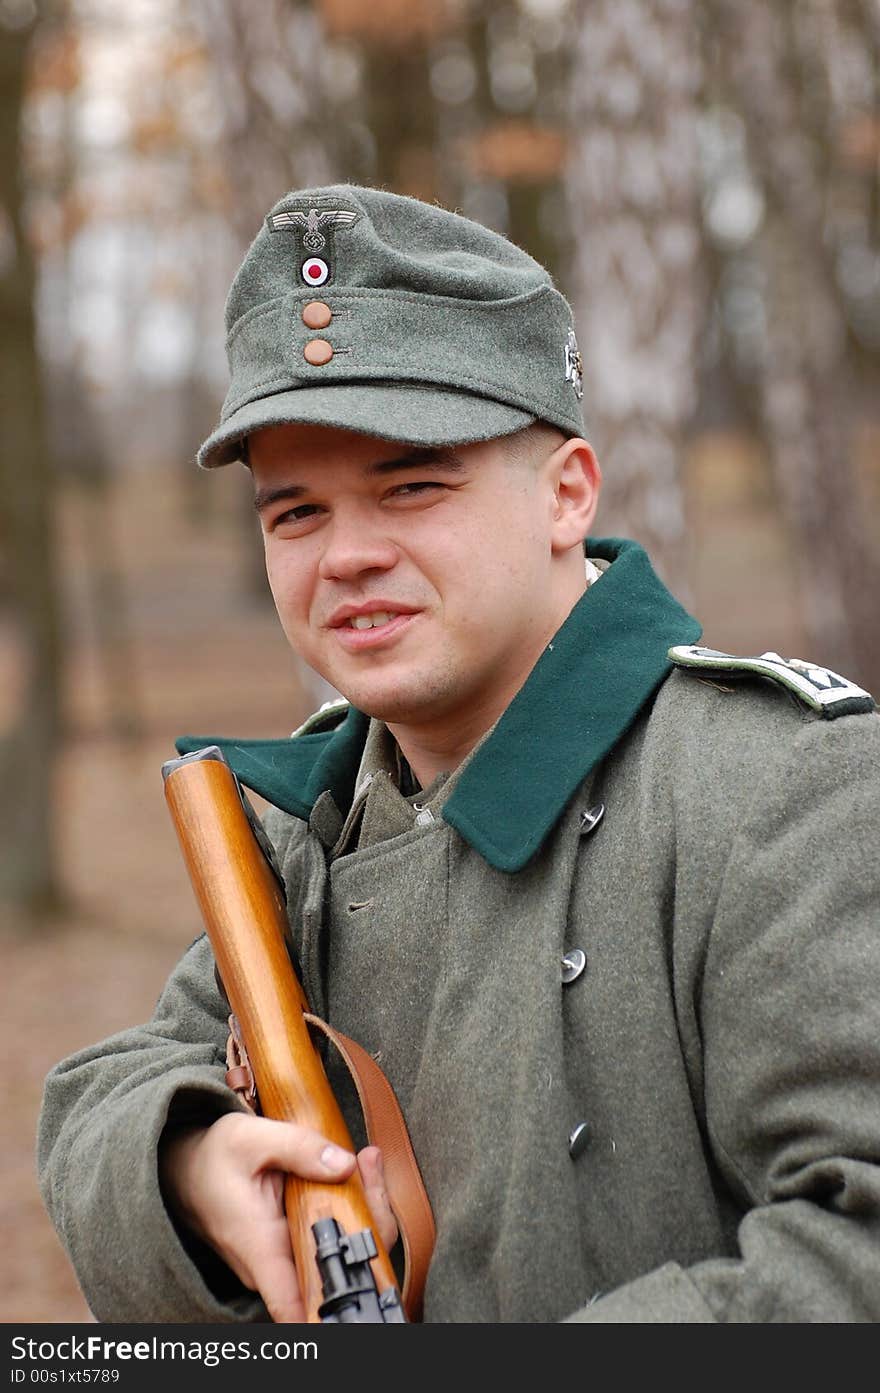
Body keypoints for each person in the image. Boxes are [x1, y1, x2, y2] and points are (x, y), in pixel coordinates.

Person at [38, 183, 880, 1324]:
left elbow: (854, 1237)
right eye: (296, 513)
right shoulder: (308, 818)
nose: (346, 557)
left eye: (411, 486)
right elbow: (103, 1096)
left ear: (566, 494)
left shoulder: (780, 786)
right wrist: (197, 1168)